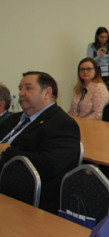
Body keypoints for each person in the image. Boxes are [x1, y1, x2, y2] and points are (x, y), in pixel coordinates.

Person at [0, 72, 80, 214]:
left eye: (28, 88)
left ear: (47, 92)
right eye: (20, 89)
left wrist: (7, 152)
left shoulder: (62, 124)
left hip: (24, 196)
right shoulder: (15, 119)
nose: (21, 93)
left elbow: (50, 164)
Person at [87, 26, 109, 94]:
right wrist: (99, 56)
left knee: (108, 93)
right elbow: (90, 62)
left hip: (108, 72)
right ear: (97, 36)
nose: (104, 39)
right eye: (102, 37)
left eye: (106, 37)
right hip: (97, 71)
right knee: (98, 93)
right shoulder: (92, 46)